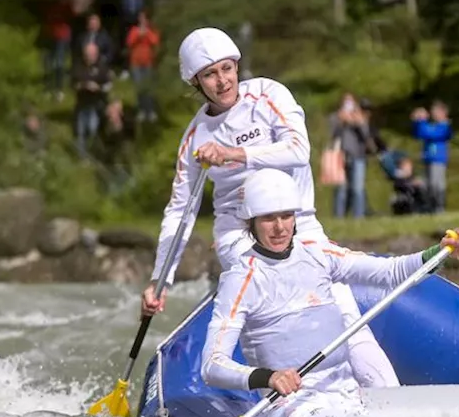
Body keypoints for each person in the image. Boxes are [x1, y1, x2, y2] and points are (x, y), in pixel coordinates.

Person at [139, 27, 400, 388]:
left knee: (340, 308)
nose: (222, 80)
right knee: (274, 312)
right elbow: (181, 211)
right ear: (196, 82)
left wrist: (233, 154)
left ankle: (386, 397)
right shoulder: (195, 137)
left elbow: (298, 150)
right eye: (210, 74)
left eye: (227, 68)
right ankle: (275, 394)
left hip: (299, 223)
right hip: (239, 237)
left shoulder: (268, 95)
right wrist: (160, 279)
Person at [202, 169, 459, 417]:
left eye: (286, 215)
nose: (280, 227)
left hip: (349, 398)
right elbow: (212, 366)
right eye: (268, 218)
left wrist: (438, 252)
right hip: (294, 410)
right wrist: (268, 377)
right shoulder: (240, 279)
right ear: (251, 222)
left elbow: (390, 272)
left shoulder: (317, 253)